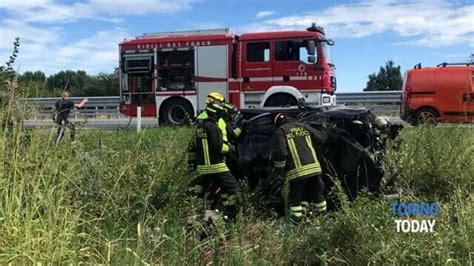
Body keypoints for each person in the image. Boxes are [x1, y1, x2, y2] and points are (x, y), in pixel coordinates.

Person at [188, 100, 240, 222]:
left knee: (209, 193)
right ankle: (231, 215)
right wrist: (230, 148)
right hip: (216, 165)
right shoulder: (213, 128)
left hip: (203, 168)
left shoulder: (200, 127)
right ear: (216, 114)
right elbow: (219, 147)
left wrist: (191, 165)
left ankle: (207, 218)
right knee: (233, 187)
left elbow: (192, 147)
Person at [271, 113, 328, 221]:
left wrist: (279, 172)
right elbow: (322, 138)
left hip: (296, 172)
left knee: (295, 198)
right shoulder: (304, 126)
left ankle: (296, 222)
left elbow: (280, 153)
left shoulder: (281, 131)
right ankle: (323, 219)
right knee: (318, 195)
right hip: (314, 169)